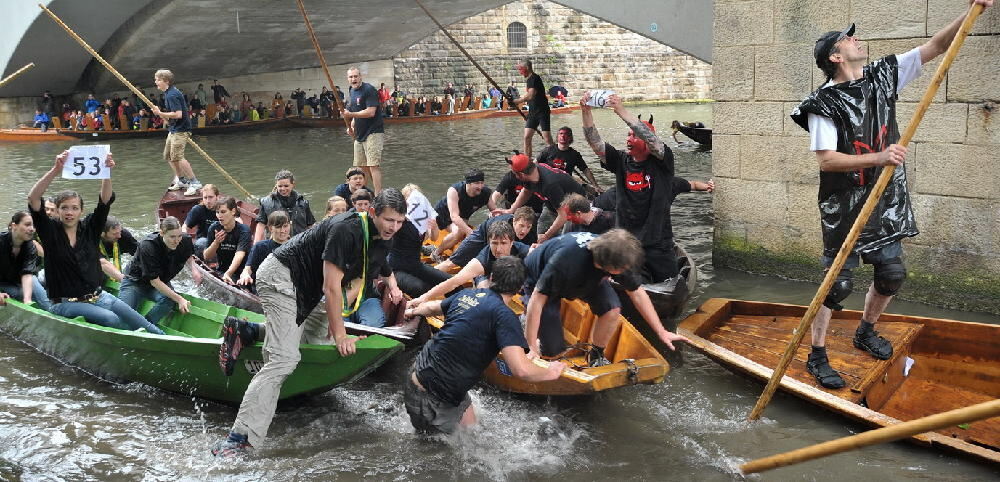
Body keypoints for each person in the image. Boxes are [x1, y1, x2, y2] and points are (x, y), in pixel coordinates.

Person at [787, 1, 994, 388]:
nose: (857, 39)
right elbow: (827, 161)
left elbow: (933, 47)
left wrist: (973, 11)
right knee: (838, 284)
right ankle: (816, 354)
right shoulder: (823, 105)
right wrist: (882, 156)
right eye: (848, 39)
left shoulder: (883, 76)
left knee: (892, 273)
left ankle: (866, 331)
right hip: (845, 203)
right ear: (835, 56)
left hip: (886, 198)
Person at [211, 189, 407, 456]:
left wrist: (335, 324)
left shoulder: (385, 239)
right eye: (388, 220)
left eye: (399, 222)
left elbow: (357, 281)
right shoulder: (345, 229)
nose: (393, 227)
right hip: (280, 275)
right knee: (283, 360)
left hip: (308, 289)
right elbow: (331, 287)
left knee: (316, 343)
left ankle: (247, 330)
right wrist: (340, 334)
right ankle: (239, 438)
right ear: (372, 212)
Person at [403, 256, 565, 434]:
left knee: (473, 429)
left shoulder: (468, 294)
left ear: (491, 278)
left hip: (421, 373)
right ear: (519, 289)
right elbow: (521, 370)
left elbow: (433, 307)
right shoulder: (505, 317)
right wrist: (551, 371)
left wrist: (412, 310)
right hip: (431, 397)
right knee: (445, 451)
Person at [27, 150, 164, 334]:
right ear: (58, 211)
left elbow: (105, 201)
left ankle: (160, 337)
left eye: (74, 208)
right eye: (64, 208)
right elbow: (33, 198)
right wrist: (55, 170)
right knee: (111, 318)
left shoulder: (89, 229)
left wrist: (106, 172)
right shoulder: (50, 231)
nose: (69, 212)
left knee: (145, 324)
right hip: (64, 303)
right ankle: (133, 339)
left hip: (99, 296)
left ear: (81, 211)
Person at [522, 230, 689, 365]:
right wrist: (531, 348)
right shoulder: (565, 261)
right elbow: (537, 301)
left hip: (586, 278)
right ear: (610, 267)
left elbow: (637, 294)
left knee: (612, 308)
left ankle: (595, 357)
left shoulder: (618, 254)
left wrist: (661, 331)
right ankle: (528, 326)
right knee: (553, 350)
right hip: (540, 279)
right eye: (623, 269)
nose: (627, 270)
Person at [580, 92, 685, 284]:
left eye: (635, 135)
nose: (629, 138)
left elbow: (652, 140)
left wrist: (620, 110)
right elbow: (596, 144)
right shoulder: (621, 160)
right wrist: (586, 112)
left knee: (671, 283)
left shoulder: (663, 161)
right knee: (625, 284)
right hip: (626, 242)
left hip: (658, 242)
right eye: (628, 134)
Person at [414, 221, 531, 308]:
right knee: (485, 297)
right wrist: (423, 298)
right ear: (489, 242)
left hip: (517, 280)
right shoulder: (483, 259)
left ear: (512, 242)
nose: (499, 249)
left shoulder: (527, 253)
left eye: (503, 243)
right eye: (494, 243)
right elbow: (454, 281)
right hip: (488, 276)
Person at [119, 216, 198, 326]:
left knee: (170, 299)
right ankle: (137, 326)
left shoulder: (185, 240)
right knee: (122, 317)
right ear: (161, 233)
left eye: (179, 236)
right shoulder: (147, 245)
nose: (177, 241)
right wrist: (180, 299)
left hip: (161, 280)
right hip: (135, 282)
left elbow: (188, 255)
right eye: (172, 237)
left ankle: (147, 325)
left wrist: (194, 269)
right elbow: (154, 281)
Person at [497, 153, 585, 243]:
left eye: (514, 174)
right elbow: (526, 191)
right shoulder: (532, 173)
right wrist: (511, 210)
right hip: (551, 203)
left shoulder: (550, 185)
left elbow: (563, 215)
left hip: (574, 208)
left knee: (564, 239)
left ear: (520, 175)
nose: (514, 176)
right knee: (541, 233)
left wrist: (547, 235)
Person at [388, 184, 450, 298]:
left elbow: (434, 238)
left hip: (415, 265)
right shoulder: (399, 221)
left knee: (451, 282)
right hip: (396, 268)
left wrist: (435, 227)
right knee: (421, 287)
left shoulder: (422, 219)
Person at [435, 206, 536, 273]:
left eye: (528, 227)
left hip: (501, 243)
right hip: (481, 236)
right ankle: (427, 275)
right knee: (452, 262)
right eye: (521, 225)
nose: (524, 230)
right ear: (514, 221)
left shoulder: (530, 233)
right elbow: (493, 251)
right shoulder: (502, 225)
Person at [151, 69, 202, 196]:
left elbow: (178, 114)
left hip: (181, 130)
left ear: (166, 81)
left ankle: (194, 182)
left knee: (178, 157)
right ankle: (181, 180)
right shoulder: (168, 93)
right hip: (173, 129)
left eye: (158, 79)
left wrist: (159, 113)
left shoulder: (172, 95)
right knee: (169, 156)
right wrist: (161, 113)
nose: (155, 82)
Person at [430, 169, 496, 260]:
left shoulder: (485, 193)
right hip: (442, 215)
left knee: (461, 232)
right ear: (468, 183)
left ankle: (446, 251)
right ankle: (436, 253)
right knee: (459, 231)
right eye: (477, 183)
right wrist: (470, 232)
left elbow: (494, 211)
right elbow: (454, 217)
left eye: (482, 182)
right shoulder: (454, 191)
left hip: (461, 216)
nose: (480, 186)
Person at [340, 66, 385, 193]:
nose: (353, 79)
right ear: (348, 79)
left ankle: (378, 194)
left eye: (355, 76)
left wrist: (350, 115)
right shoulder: (351, 91)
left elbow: (371, 112)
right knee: (361, 166)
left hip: (374, 132)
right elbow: (355, 111)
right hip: (360, 133)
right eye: (351, 77)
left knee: (373, 165)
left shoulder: (369, 89)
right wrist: (352, 126)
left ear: (360, 77)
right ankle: (364, 192)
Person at [0, 212, 52, 311]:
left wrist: (27, 300)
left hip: (22, 280)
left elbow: (27, 273)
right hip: (3, 283)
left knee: (40, 297)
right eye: (27, 225)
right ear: (14, 226)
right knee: (19, 293)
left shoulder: (30, 246)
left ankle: (53, 314)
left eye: (33, 226)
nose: (32, 229)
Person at [253, 170, 315, 243]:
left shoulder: (303, 202)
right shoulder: (266, 203)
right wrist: (255, 244)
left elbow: (310, 225)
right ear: (276, 185)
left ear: (293, 184)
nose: (283, 189)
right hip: (276, 244)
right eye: (280, 186)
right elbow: (261, 225)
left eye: (286, 186)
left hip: (299, 244)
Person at [536, 126, 602, 192]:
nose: (563, 136)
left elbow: (585, 170)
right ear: (557, 137)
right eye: (561, 134)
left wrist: (595, 185)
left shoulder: (574, 154)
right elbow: (535, 163)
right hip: (548, 182)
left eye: (566, 134)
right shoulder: (548, 150)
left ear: (570, 138)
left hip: (565, 183)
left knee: (587, 190)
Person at [238, 211, 291, 292]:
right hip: (261, 290)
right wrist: (245, 275)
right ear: (270, 228)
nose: (283, 230)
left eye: (285, 226)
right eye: (278, 227)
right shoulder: (260, 247)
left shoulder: (296, 249)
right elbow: (248, 269)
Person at [203, 196, 251, 285]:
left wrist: (228, 273)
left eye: (223, 212)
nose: (219, 216)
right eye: (217, 212)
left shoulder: (243, 230)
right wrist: (216, 242)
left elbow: (239, 254)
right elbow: (206, 256)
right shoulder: (214, 228)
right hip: (221, 269)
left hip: (241, 271)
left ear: (233, 211)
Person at [512, 60, 553, 159]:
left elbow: (530, 95)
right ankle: (527, 160)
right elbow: (529, 95)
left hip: (542, 112)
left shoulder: (534, 78)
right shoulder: (530, 80)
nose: (520, 72)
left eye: (521, 69)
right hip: (533, 113)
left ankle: (555, 157)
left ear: (526, 68)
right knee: (527, 137)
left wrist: (517, 101)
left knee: (547, 139)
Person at [182, 184, 220, 258]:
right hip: (204, 241)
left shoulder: (223, 209)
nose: (208, 201)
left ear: (217, 197)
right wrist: (185, 241)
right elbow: (185, 227)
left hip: (221, 240)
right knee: (202, 243)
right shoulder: (198, 210)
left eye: (211, 197)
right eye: (205, 198)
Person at [98, 216, 139, 282]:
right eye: (115, 234)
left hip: (115, 251)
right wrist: (124, 280)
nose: (119, 236)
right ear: (102, 234)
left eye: (119, 232)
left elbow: (140, 254)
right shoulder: (89, 239)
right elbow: (102, 263)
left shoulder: (124, 235)